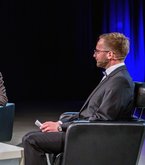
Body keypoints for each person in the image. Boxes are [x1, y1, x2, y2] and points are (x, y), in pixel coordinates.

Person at [22, 32, 135, 165]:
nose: (94, 55)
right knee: (29, 136)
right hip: (84, 130)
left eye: (97, 51)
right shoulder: (113, 77)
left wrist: (60, 128)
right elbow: (91, 114)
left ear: (110, 54)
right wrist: (60, 123)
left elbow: (102, 121)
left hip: (91, 136)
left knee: (31, 140)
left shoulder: (120, 81)